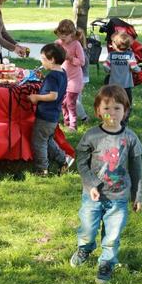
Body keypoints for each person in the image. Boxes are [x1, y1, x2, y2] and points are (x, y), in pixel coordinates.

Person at [70, 85, 142, 284]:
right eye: (106, 108)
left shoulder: (130, 138)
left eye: (117, 108)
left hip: (119, 197)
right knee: (87, 229)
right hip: (92, 195)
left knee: (112, 236)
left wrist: (137, 196)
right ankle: (85, 248)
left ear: (125, 111)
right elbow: (81, 163)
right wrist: (92, 184)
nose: (111, 113)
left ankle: (107, 263)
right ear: (97, 111)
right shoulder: (91, 136)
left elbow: (137, 169)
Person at [28, 43, 74, 176]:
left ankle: (42, 169)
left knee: (38, 142)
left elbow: (53, 95)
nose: (41, 61)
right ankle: (64, 159)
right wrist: (43, 79)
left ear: (52, 59)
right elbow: (55, 88)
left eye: (43, 59)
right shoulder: (62, 73)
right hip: (53, 115)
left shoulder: (52, 76)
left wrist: (36, 97)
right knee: (47, 140)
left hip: (45, 116)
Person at [54, 19, 85, 132]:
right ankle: (66, 122)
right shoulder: (58, 43)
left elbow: (82, 62)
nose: (62, 37)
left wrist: (70, 58)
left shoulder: (76, 44)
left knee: (70, 102)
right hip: (62, 77)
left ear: (72, 34)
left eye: (65, 35)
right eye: (60, 34)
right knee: (62, 102)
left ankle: (73, 125)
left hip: (74, 78)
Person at [103, 32, 140, 124]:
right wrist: (139, 70)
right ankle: (123, 121)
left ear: (115, 45)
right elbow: (134, 67)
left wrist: (109, 71)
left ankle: (109, 120)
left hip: (113, 85)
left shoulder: (111, 55)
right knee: (127, 104)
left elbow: (105, 66)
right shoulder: (129, 55)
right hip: (126, 85)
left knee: (110, 104)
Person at [76, 28, 89, 123]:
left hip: (79, 80)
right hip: (72, 79)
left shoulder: (81, 53)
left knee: (75, 100)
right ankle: (70, 118)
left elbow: (84, 71)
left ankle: (84, 117)